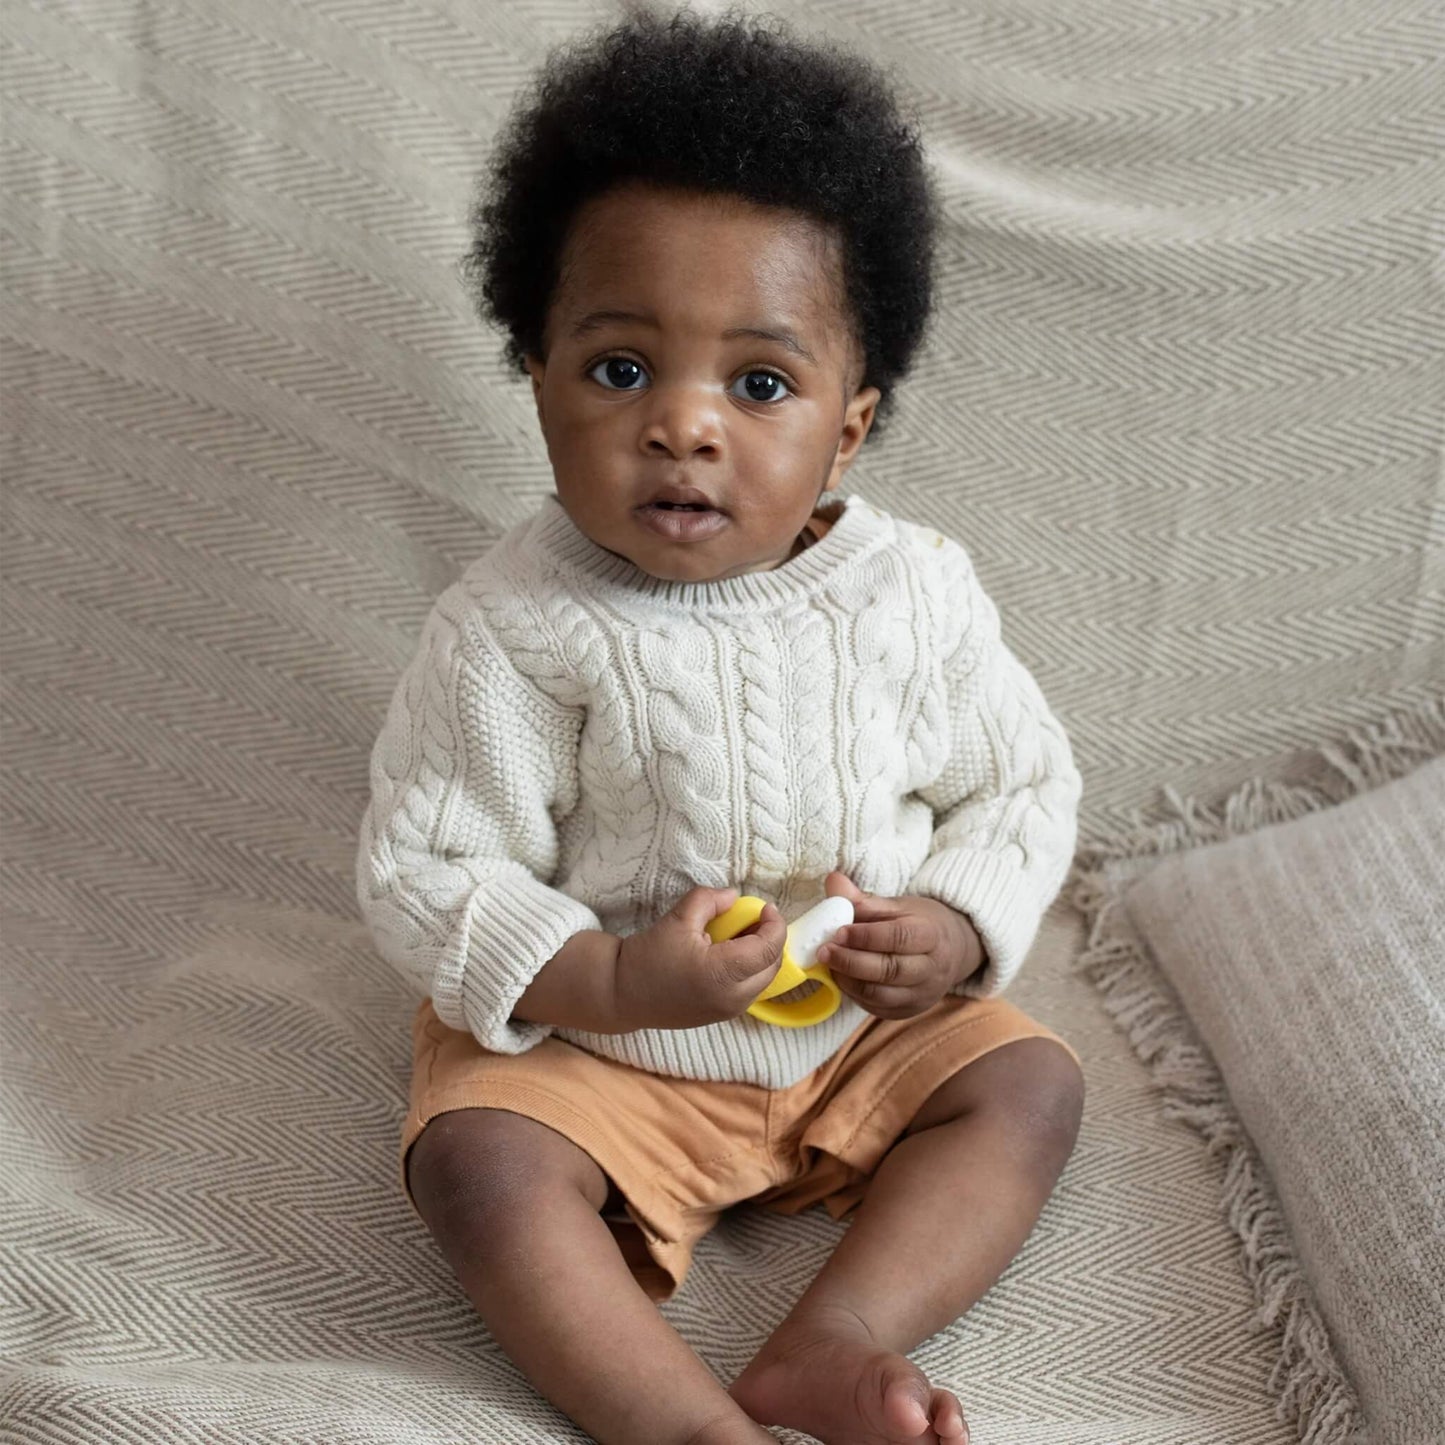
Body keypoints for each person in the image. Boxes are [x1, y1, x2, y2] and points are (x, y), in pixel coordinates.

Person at [356, 8, 1086, 1443]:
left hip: (851, 1035)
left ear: (849, 427)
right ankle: (684, 1423)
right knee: (476, 1161)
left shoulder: (910, 594)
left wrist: (948, 927)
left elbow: (1018, 783)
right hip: (604, 1050)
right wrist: (618, 977)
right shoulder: (512, 624)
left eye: (758, 385)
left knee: (1028, 1083)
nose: (683, 427)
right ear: (538, 375)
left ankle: (836, 1335)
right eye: (620, 368)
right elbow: (427, 872)